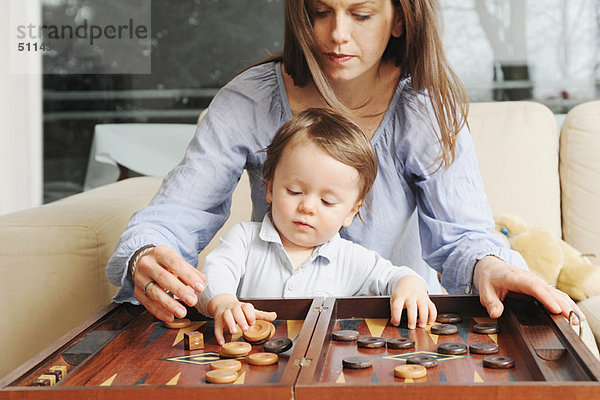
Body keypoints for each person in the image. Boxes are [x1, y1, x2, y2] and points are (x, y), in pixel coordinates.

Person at [106, 0, 581, 326]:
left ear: (399, 19)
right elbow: (176, 215)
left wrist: (491, 267)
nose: (337, 34)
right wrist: (148, 255)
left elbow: (464, 237)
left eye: (361, 13)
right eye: (320, 11)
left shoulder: (424, 109)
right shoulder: (247, 101)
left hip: (398, 328)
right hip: (278, 328)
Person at [197, 108, 436, 344]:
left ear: (351, 211)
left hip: (321, 372)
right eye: (294, 191)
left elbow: (396, 276)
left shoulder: (350, 258)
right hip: (248, 365)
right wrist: (224, 301)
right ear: (270, 188)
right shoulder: (244, 239)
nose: (308, 207)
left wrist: (411, 285)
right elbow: (214, 275)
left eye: (327, 201)